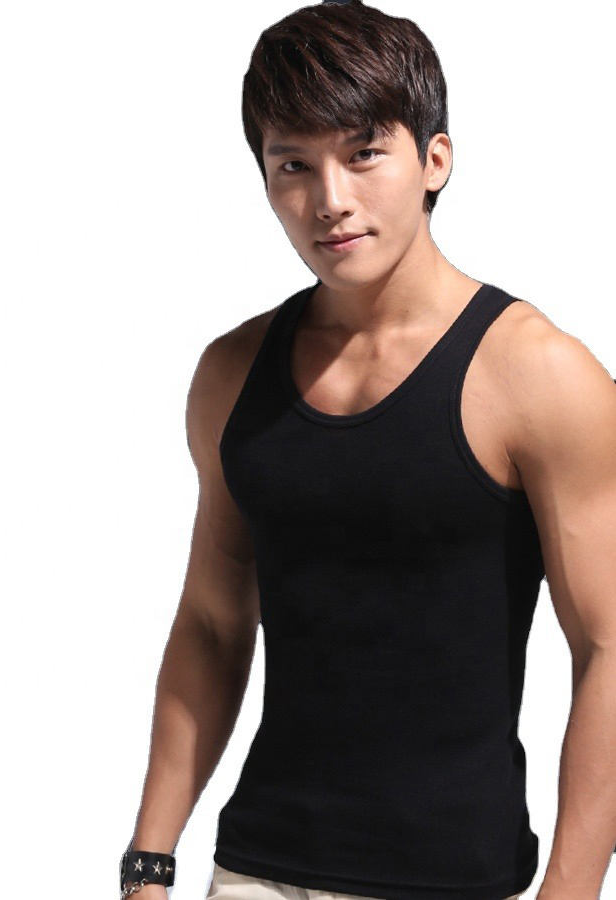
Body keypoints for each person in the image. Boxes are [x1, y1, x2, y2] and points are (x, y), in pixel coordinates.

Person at [119, 2, 616, 898]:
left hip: (448, 880)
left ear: (435, 159)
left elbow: (610, 645)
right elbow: (212, 623)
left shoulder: (539, 374)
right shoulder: (232, 373)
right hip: (256, 869)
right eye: (293, 166)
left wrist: (571, 891)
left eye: (363, 153)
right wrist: (149, 864)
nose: (330, 201)